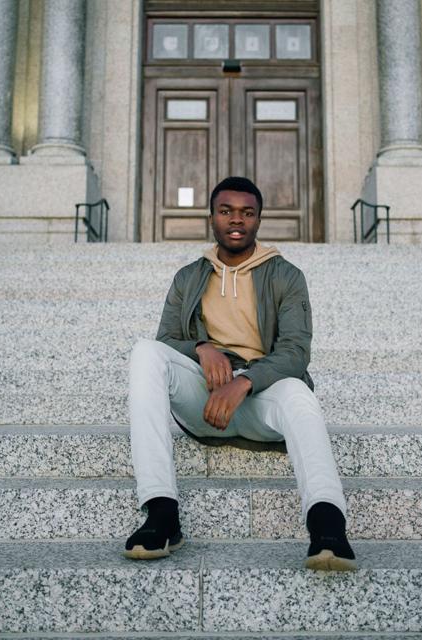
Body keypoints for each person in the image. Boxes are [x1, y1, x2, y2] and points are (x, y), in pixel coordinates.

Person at [125, 176, 356, 571]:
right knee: (145, 352)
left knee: (300, 394)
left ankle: (327, 524)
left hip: (260, 402)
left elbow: (295, 353)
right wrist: (202, 348)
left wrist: (244, 381)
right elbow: (166, 339)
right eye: (226, 210)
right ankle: (162, 512)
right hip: (206, 400)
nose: (236, 220)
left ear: (259, 219)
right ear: (211, 217)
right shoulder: (188, 277)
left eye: (247, 213)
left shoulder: (285, 275)